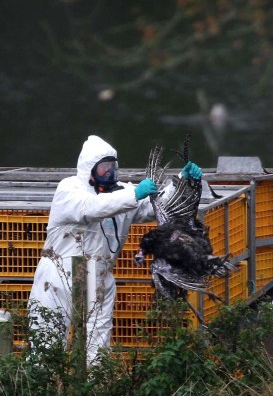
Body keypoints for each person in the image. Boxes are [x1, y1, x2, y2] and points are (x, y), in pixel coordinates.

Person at [27, 135, 202, 364]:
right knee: (46, 347)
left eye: (112, 167)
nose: (109, 173)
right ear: (90, 170)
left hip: (99, 277)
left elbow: (156, 207)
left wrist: (182, 181)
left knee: (97, 349)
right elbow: (91, 208)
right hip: (58, 278)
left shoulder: (122, 194)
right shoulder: (69, 190)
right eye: (104, 168)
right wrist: (134, 194)